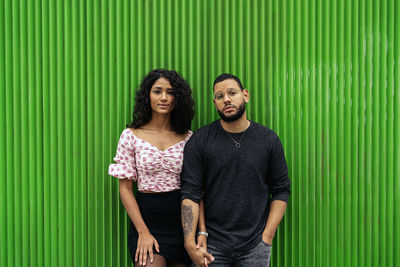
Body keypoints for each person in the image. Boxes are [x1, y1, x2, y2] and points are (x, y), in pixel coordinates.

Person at [180, 73, 291, 267]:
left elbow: (281, 189)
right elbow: (191, 193)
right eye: (220, 96)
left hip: (255, 245)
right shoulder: (199, 140)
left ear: (245, 95)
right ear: (214, 102)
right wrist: (190, 242)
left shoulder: (268, 139)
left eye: (232, 93)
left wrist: (267, 237)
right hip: (211, 246)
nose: (227, 100)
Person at [108, 69, 206, 267]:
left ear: (178, 98)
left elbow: (196, 190)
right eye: (157, 91)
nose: (164, 98)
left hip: (183, 224)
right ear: (147, 96)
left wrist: (201, 231)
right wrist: (143, 232)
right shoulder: (130, 135)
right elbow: (125, 189)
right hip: (147, 222)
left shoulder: (188, 138)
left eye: (170, 92)